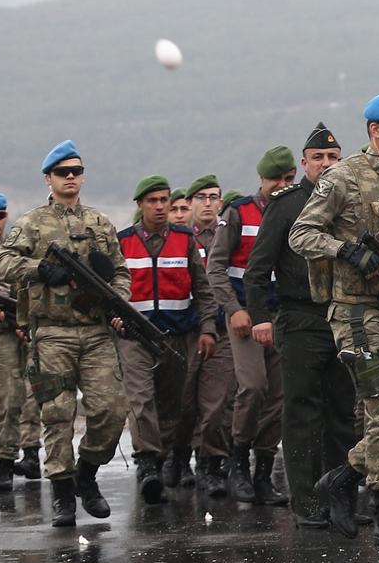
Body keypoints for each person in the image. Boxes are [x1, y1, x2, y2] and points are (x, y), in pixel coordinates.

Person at [289, 92, 379, 547]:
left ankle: (343, 474)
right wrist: (345, 250)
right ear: (376, 130)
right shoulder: (342, 177)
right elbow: (302, 234)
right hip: (356, 313)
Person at [0, 141, 131, 527]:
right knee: (56, 414)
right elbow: (5, 262)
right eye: (62, 173)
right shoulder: (31, 223)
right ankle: (61, 493)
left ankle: (86, 474)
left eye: (76, 171)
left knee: (111, 409)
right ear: (49, 179)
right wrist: (39, 269)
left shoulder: (100, 223)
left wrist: (116, 300)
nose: (70, 178)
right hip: (52, 332)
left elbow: (121, 271)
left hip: (96, 332)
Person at [245, 122, 357, 528]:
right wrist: (261, 317)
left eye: (333, 158)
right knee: (302, 413)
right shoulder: (288, 204)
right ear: (304, 163)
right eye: (318, 158)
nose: (326, 165)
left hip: (344, 315)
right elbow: (257, 269)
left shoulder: (350, 201)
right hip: (301, 317)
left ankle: (341, 496)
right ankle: (307, 502)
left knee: (343, 411)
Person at [115, 176, 218, 502]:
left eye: (164, 200)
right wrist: (113, 320)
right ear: (140, 205)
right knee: (140, 400)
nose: (160, 207)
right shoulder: (124, 241)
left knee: (175, 404)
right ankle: (146, 463)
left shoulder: (184, 239)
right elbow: (111, 292)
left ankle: (170, 457)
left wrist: (208, 328)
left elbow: (202, 288)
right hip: (135, 337)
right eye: (153, 201)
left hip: (177, 336)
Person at [206, 146, 293, 505]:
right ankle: (238, 460)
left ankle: (263, 470)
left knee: (279, 395)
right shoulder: (239, 212)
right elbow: (216, 267)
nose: (282, 186)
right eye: (276, 180)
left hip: (280, 315)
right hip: (243, 315)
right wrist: (233, 309)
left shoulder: (295, 210)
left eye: (288, 179)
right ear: (262, 179)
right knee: (254, 386)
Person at [172, 174, 237, 496]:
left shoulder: (227, 235)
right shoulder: (180, 238)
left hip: (223, 330)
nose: (209, 203)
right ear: (191, 202)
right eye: (202, 197)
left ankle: (211, 463)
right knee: (184, 404)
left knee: (216, 404)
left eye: (214, 197)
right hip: (189, 330)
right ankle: (180, 457)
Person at [0, 192, 43, 489]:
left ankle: (16, 457)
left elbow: (20, 288)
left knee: (20, 398)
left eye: (0, 215)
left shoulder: (15, 247)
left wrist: (17, 319)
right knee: (12, 399)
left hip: (14, 331)